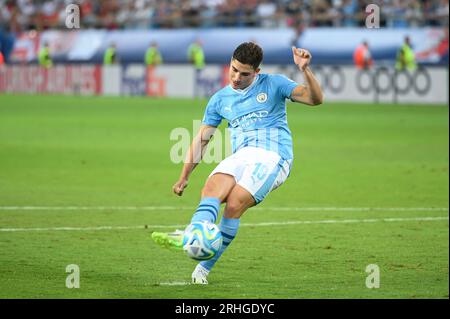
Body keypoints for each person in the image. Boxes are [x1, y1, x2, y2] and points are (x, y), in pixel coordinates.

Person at [152, 42, 323, 284]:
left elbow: (315, 99)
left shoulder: (274, 84)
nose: (236, 77)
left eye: (244, 74)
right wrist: (184, 176)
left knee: (233, 205)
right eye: (233, 70)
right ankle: (194, 232)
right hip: (242, 155)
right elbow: (202, 139)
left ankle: (202, 268)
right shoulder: (220, 99)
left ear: (257, 72)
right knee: (211, 189)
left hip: (274, 156)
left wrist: (305, 70)